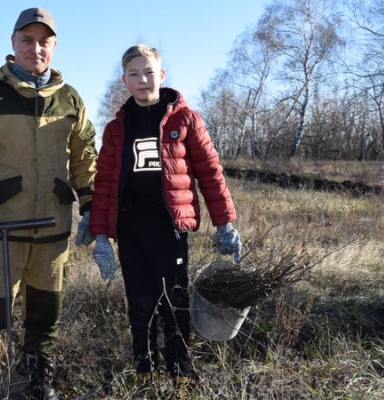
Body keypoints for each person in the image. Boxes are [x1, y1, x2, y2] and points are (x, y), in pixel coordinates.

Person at [0, 7, 97, 400]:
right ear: (13, 43)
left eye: (44, 41)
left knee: (45, 320)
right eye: (27, 40)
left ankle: (34, 387)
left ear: (54, 47)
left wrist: (92, 208)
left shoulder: (70, 100)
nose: (36, 48)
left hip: (53, 234)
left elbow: (85, 159)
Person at [87, 44, 241, 399]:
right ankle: (145, 370)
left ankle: (180, 372)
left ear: (162, 74)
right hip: (130, 229)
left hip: (170, 229)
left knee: (173, 301)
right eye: (135, 74)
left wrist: (225, 223)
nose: (144, 80)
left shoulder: (185, 120)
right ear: (125, 80)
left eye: (150, 72)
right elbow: (105, 183)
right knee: (139, 303)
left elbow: (211, 174)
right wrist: (99, 235)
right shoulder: (116, 129)